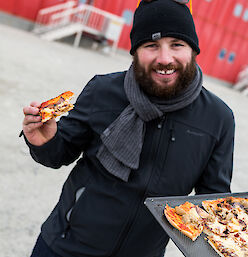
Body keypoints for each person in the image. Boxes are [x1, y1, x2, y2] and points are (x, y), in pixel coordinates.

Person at [21, 0, 235, 256]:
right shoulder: (102, 91)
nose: (165, 58)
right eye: (151, 45)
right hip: (65, 247)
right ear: (135, 51)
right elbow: (59, 154)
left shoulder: (218, 118)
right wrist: (44, 141)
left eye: (177, 44)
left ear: (193, 50)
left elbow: (212, 200)